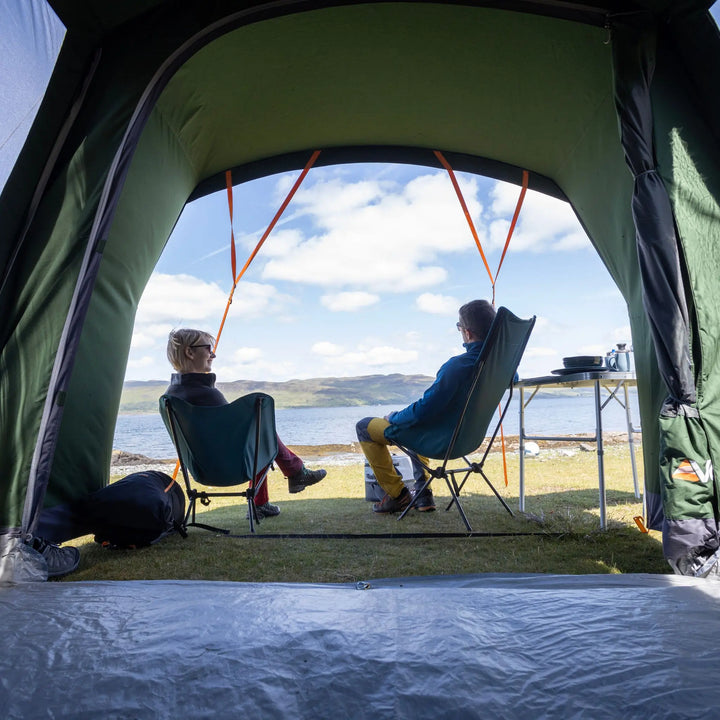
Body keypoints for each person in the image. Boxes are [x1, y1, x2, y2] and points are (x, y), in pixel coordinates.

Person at [164, 329, 326, 518]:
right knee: (260, 432)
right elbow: (238, 436)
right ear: (190, 352)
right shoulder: (207, 394)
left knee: (259, 433)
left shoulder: (171, 396)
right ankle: (294, 472)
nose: (213, 354)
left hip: (201, 470)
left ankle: (286, 479)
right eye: (209, 348)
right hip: (232, 467)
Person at [356, 299, 496, 514]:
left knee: (365, 426)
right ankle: (423, 496)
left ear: (467, 333)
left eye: (459, 327)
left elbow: (423, 410)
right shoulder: (500, 368)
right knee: (418, 426)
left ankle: (397, 495)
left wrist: (393, 417)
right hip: (469, 441)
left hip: (441, 442)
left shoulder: (458, 366)